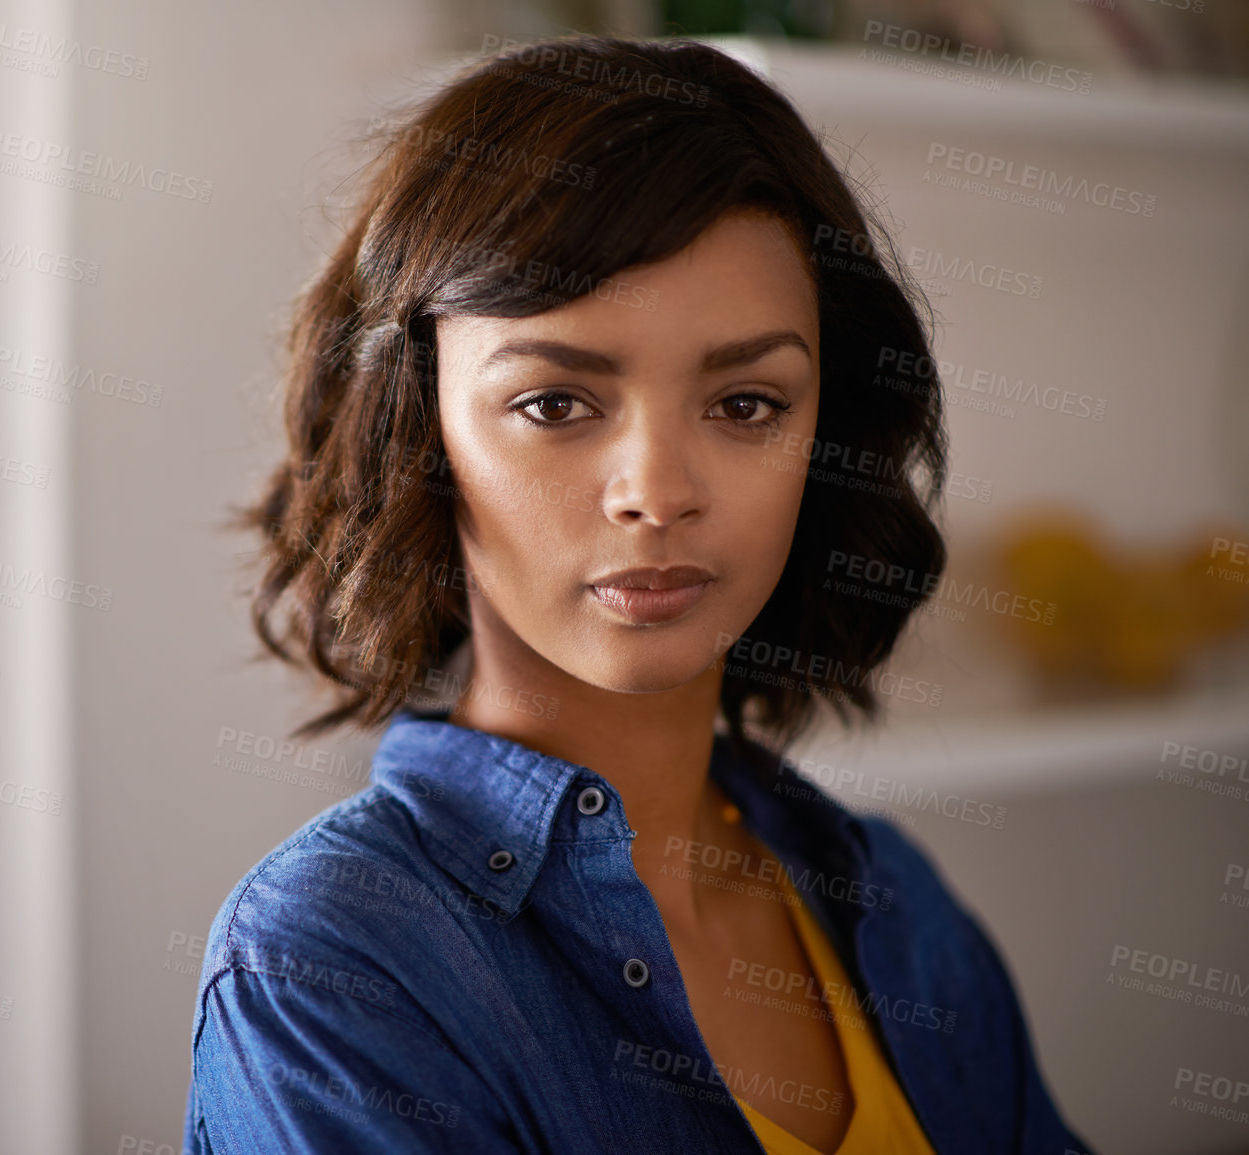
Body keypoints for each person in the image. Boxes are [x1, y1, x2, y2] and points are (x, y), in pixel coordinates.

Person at [184, 33, 1093, 1155]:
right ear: (416, 433)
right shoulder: (333, 969)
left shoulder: (897, 907)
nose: (657, 494)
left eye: (748, 404)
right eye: (557, 405)